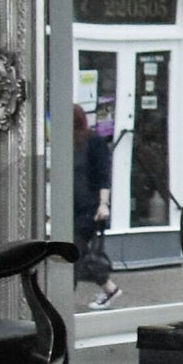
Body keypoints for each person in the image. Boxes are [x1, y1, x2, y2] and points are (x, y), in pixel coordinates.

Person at [72, 98, 120, 312]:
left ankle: (62, 299)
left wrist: (103, 204)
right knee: (79, 254)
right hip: (73, 208)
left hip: (90, 209)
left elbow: (103, 176)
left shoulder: (94, 142)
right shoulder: (70, 144)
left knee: (73, 252)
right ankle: (110, 289)